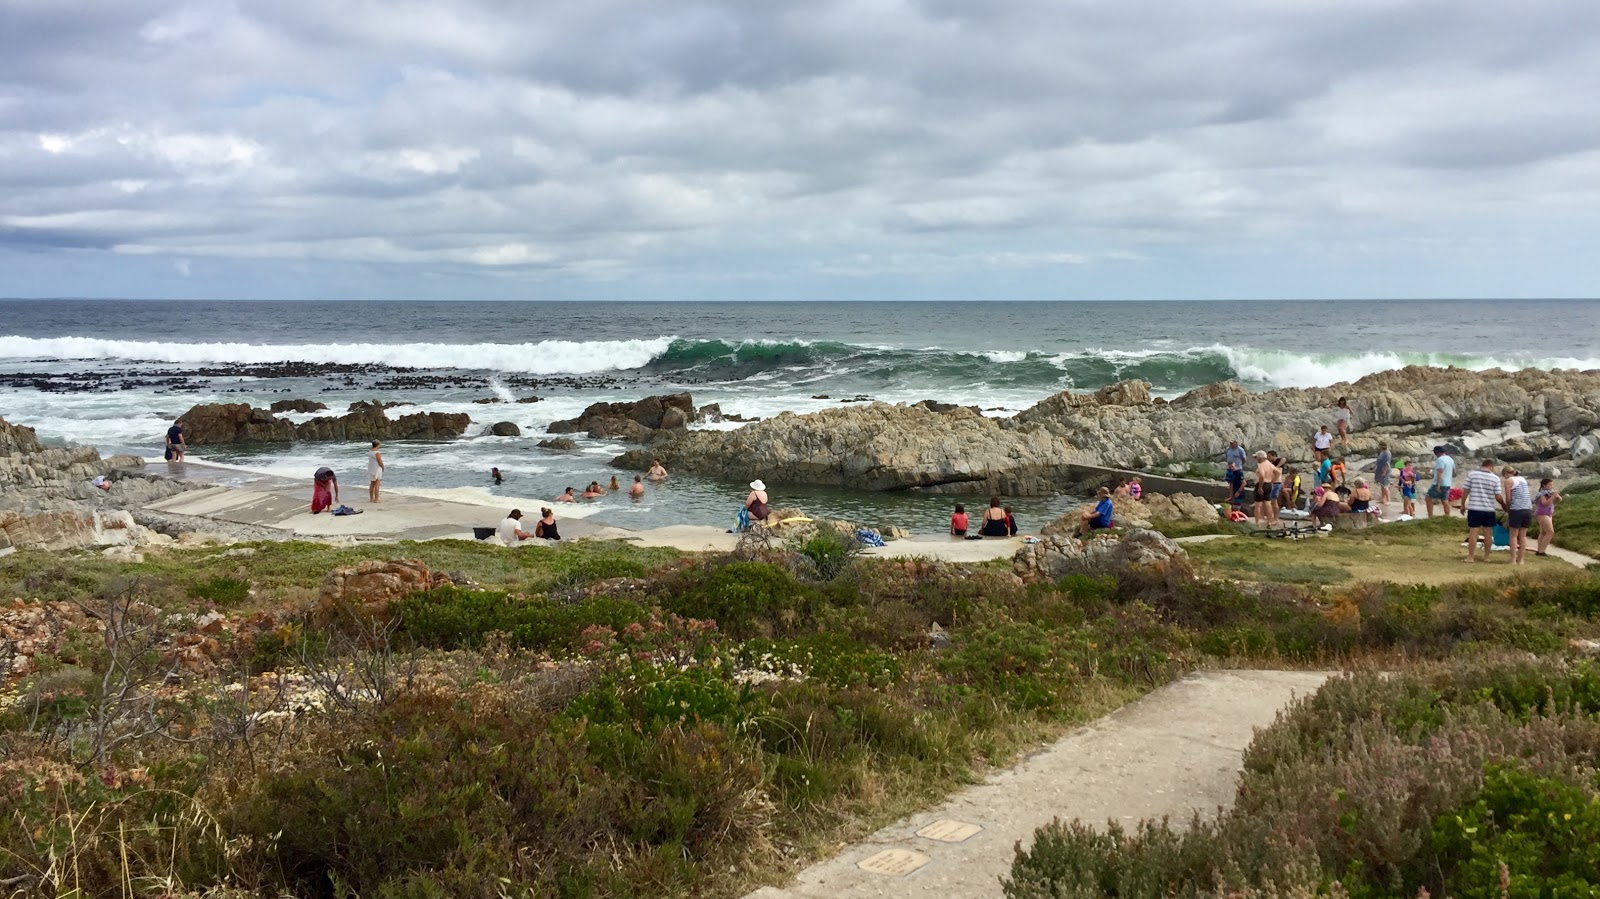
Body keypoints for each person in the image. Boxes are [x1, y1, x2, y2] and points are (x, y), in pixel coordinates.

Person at [1461, 457, 1501, 562]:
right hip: (1489, 509)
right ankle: (1487, 557)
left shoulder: (1472, 475)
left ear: (1482, 465)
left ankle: (1470, 557)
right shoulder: (1495, 478)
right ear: (1491, 467)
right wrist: (1505, 506)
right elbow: (1498, 496)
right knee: (1488, 533)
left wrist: (1462, 504)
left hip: (1474, 508)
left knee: (1473, 532)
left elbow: (1465, 491)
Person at [1502, 466, 1532, 565]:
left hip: (1517, 509)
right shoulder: (1522, 479)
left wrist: (1508, 509)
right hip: (1528, 508)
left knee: (1513, 535)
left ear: (1506, 473)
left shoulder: (1509, 481)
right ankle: (1521, 559)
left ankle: (1513, 559)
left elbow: (1508, 498)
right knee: (1523, 536)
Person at [1534, 478, 1562, 556]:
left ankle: (1539, 550)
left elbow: (1559, 500)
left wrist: (1556, 495)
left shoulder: (1550, 493)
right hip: (1542, 514)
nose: (1551, 486)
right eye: (1550, 485)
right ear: (1544, 485)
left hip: (1549, 514)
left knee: (1543, 532)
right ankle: (1541, 551)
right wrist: (1552, 496)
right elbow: (1545, 503)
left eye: (1552, 485)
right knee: (1550, 532)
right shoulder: (1542, 494)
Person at [1427, 446, 1456, 518]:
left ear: (1437, 452)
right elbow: (1454, 472)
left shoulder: (1440, 460)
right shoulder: (1450, 459)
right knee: (1444, 500)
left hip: (1440, 483)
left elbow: (1440, 472)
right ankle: (1447, 516)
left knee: (1428, 497)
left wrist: (1438, 484)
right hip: (1447, 483)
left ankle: (1430, 516)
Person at [1252, 450, 1279, 527]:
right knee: (1268, 503)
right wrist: (1272, 481)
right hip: (1268, 484)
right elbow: (1278, 472)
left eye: (1256, 457)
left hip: (1262, 484)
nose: (1256, 459)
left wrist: (1260, 487)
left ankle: (1257, 522)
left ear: (1260, 457)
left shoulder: (1261, 465)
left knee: (1258, 504)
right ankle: (1269, 522)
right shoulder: (1270, 464)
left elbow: (1262, 476)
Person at [1372, 441, 1392, 506]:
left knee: (1385, 485)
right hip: (1380, 470)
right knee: (1382, 484)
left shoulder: (1387, 453)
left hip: (1384, 470)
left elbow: (1387, 463)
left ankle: (1388, 500)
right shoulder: (1382, 452)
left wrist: (1384, 471)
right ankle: (1383, 499)